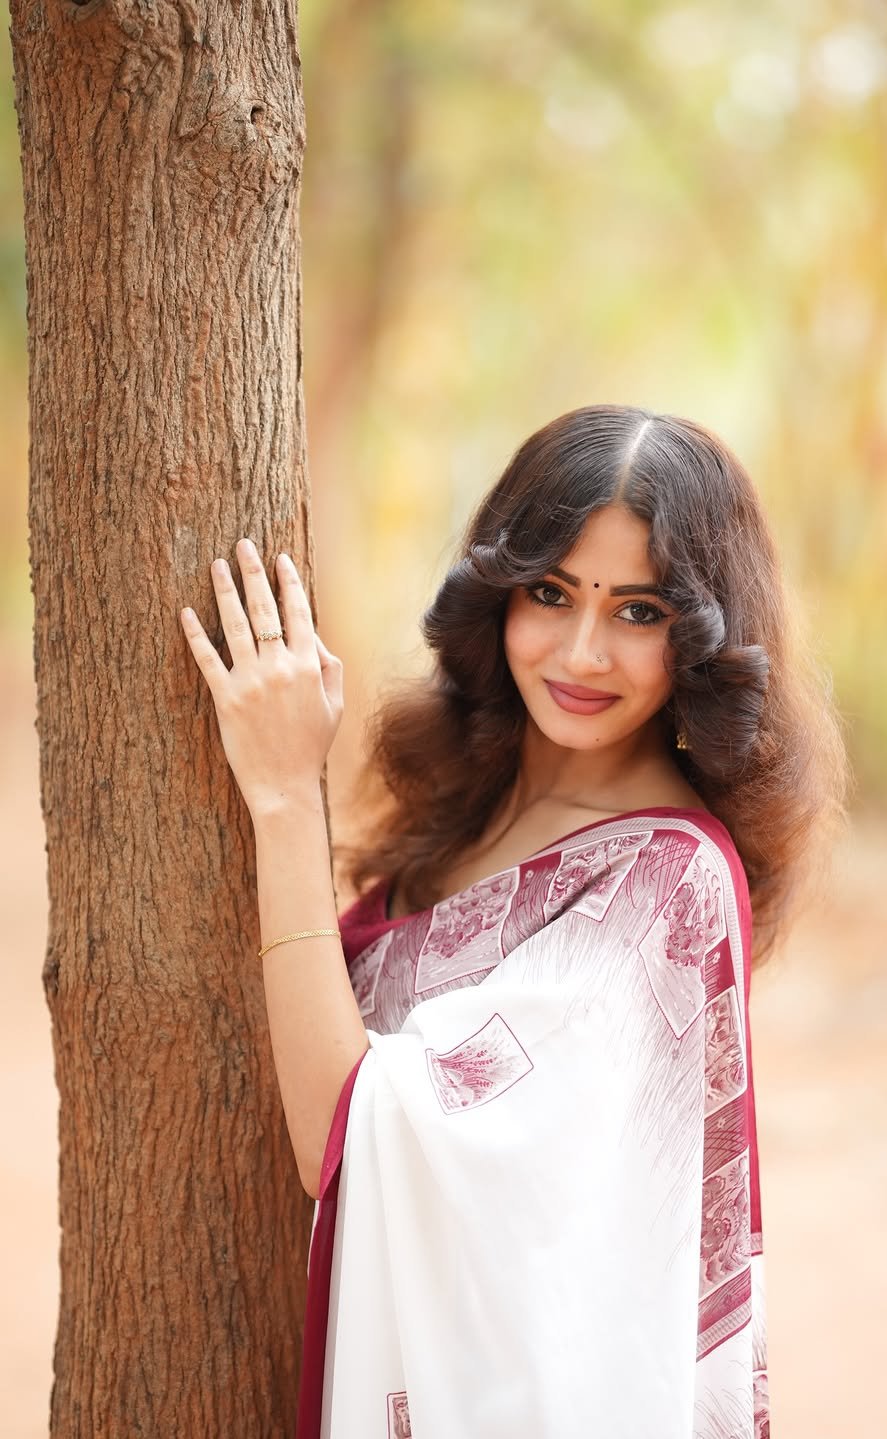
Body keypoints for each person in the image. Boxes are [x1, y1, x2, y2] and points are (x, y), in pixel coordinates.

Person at [179, 404, 847, 1439]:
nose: (581, 651)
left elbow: (347, 1132)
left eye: (638, 611)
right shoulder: (473, 807)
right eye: (551, 592)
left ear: (700, 637)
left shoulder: (665, 888)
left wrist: (279, 793)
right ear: (496, 593)